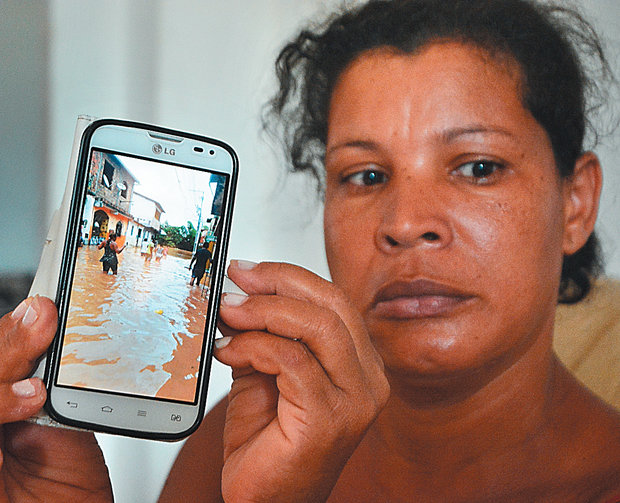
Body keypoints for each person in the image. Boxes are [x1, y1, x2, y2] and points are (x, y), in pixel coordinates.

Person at [0, 1, 619, 502]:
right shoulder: (244, 438)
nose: (404, 223)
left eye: (478, 167)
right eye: (366, 176)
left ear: (576, 203)